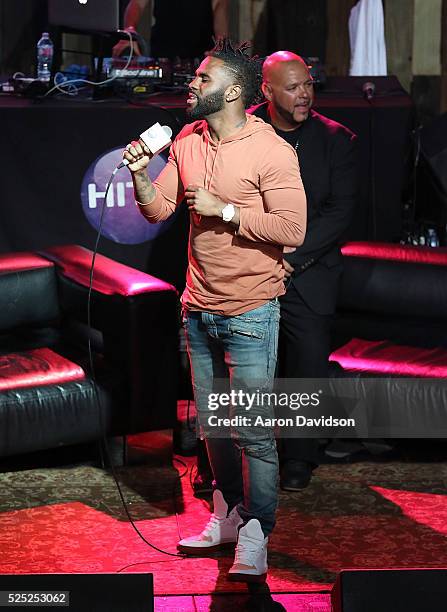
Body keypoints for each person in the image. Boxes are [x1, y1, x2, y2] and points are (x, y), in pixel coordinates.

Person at [123, 38, 306, 581]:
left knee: (251, 430)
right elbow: (157, 209)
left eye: (202, 79)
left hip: (251, 309)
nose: (192, 85)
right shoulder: (187, 141)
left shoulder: (271, 149)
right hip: (198, 309)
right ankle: (227, 515)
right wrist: (138, 173)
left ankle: (257, 532)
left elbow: (293, 231)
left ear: (231, 91)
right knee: (215, 429)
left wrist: (227, 210)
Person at [251, 51, 357, 490]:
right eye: (292, 87)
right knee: (245, 366)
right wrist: (264, 260)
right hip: (252, 267)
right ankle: (234, 455)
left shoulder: (337, 139)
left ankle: (299, 455)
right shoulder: (243, 130)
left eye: (308, 85)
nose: (304, 95)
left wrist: (291, 259)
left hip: (308, 272)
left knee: (307, 362)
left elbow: (339, 212)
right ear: (267, 90)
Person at [113, 0, 229, 58]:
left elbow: (220, 9)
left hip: (200, 56)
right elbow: (136, 4)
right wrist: (129, 31)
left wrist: (220, 45)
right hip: (162, 54)